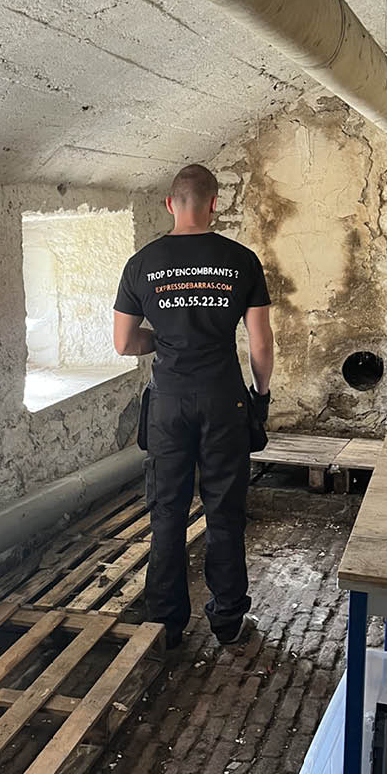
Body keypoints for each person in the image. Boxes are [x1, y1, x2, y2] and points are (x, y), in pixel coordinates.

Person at [112, 164, 274, 650]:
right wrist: (260, 398)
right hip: (224, 400)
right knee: (225, 510)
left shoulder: (142, 263)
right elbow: (261, 345)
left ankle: (166, 623)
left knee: (167, 511)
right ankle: (228, 619)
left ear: (170, 204)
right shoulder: (242, 261)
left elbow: (123, 343)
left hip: (168, 404)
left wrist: (164, 340)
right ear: (214, 203)